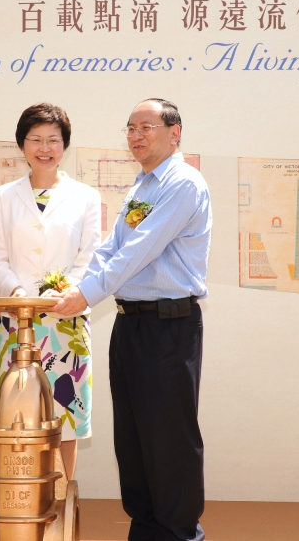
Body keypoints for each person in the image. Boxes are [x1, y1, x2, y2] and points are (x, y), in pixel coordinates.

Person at [52, 98, 211, 541]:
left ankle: (179, 533)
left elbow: (140, 250)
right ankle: (146, 529)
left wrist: (85, 295)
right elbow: (111, 247)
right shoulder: (141, 186)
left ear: (174, 133)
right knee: (135, 437)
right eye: (130, 128)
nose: (136, 135)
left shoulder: (182, 184)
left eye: (147, 127)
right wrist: (78, 289)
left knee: (170, 439)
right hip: (131, 325)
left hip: (169, 326)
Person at [0, 103, 101, 478]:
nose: (44, 147)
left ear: (64, 145)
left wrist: (66, 291)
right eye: (35, 139)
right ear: (22, 144)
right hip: (17, 322)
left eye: (53, 139)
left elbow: (90, 259)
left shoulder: (86, 197)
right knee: (19, 414)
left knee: (66, 415)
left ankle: (62, 500)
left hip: (67, 320)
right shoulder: (3, 197)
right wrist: (17, 292)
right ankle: (21, 497)